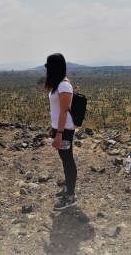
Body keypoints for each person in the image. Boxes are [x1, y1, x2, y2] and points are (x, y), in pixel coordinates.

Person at [43, 53, 77, 210]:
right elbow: (56, 111)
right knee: (65, 160)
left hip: (65, 130)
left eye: (49, 67)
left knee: (68, 161)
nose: (47, 70)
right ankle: (68, 191)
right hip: (60, 128)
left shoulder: (64, 86)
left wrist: (59, 134)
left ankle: (71, 197)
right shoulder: (58, 84)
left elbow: (64, 111)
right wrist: (53, 128)